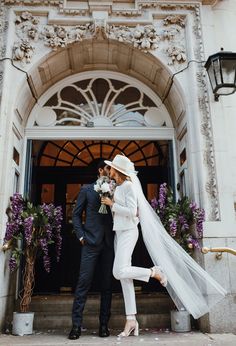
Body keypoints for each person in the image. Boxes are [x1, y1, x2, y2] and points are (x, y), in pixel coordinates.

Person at [102, 154, 226, 337]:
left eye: (111, 167)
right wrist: (111, 201)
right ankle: (131, 319)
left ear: (117, 171)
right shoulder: (119, 187)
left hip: (129, 232)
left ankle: (154, 272)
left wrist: (112, 205)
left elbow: (132, 211)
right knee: (124, 277)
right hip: (119, 232)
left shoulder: (128, 186)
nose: (108, 170)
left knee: (118, 271)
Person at [68, 160, 114, 340]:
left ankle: (104, 325)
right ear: (100, 170)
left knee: (107, 286)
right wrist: (81, 236)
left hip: (109, 244)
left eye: (111, 170)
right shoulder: (86, 190)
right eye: (108, 170)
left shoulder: (115, 190)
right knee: (82, 284)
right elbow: (76, 215)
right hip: (90, 243)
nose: (110, 173)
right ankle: (76, 326)